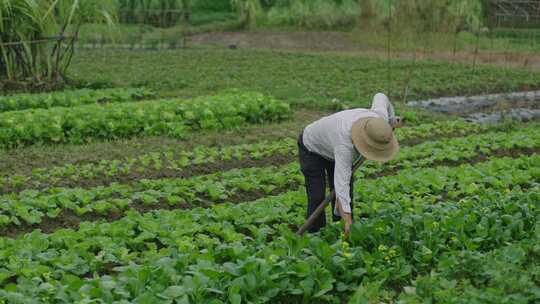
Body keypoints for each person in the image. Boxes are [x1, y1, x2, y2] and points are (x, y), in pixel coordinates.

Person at [297, 93, 403, 235]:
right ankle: (317, 236)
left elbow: (381, 96)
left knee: (346, 196)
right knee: (317, 196)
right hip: (312, 147)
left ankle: (340, 234)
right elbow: (341, 185)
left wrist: (390, 120)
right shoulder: (344, 145)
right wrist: (348, 221)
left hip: (331, 144)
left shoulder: (378, 121)